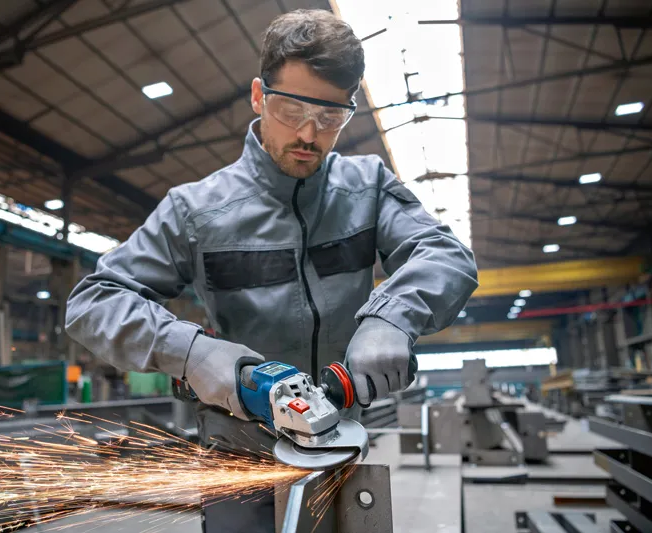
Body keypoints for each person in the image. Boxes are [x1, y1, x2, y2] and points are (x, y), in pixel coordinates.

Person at [66, 9, 478, 532]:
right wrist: (191, 353)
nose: (309, 133)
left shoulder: (368, 188)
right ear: (259, 96)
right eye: (291, 109)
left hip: (338, 448)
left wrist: (391, 317)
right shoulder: (196, 210)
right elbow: (93, 301)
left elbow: (445, 254)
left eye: (330, 117)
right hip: (238, 459)